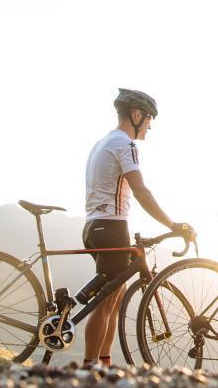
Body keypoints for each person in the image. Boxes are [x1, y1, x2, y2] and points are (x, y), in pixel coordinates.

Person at [81, 88, 189, 366]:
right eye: (149, 119)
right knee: (105, 302)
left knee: (114, 298)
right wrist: (172, 224)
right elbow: (141, 191)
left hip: (95, 226)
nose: (150, 126)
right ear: (136, 115)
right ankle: (89, 366)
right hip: (112, 226)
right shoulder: (125, 144)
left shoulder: (103, 142)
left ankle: (102, 362)